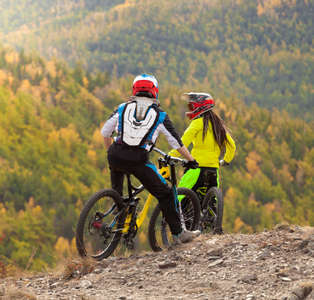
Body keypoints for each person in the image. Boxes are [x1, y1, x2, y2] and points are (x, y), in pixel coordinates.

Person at [101, 74, 201, 244]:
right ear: (155, 91)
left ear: (134, 90)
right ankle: (178, 234)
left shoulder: (122, 108)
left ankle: (120, 221)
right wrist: (191, 160)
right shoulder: (160, 115)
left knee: (118, 194)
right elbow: (176, 143)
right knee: (166, 194)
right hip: (138, 160)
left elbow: (105, 132)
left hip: (115, 155)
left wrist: (111, 152)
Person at [169, 92, 236, 233]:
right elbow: (232, 146)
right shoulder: (219, 125)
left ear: (199, 107)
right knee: (211, 202)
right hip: (213, 170)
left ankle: (183, 230)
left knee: (181, 197)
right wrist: (225, 161)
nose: (190, 108)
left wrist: (170, 156)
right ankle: (213, 227)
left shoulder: (197, 123)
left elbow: (181, 143)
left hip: (196, 169)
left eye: (192, 105)